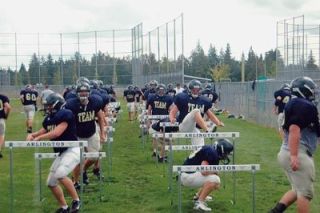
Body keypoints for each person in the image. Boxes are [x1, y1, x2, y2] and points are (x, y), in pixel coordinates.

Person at [269, 77, 320, 213]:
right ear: (303, 90)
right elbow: (294, 128)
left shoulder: (296, 103)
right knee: (305, 193)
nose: (313, 94)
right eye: (311, 91)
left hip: (289, 150)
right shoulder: (303, 105)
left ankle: (275, 211)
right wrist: (294, 155)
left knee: (297, 190)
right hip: (298, 151)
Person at [26, 93, 81, 213]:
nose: (47, 108)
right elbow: (46, 129)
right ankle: (64, 207)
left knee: (60, 174)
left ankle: (76, 200)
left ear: (57, 104)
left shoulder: (66, 114)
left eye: (49, 105)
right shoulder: (50, 118)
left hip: (72, 149)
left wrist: (40, 138)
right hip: (62, 152)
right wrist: (33, 135)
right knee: (51, 182)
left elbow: (56, 132)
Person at [65, 82, 105, 187]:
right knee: (78, 159)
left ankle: (82, 171)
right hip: (77, 135)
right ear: (77, 93)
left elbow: (100, 117)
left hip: (91, 133)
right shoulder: (71, 105)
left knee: (94, 156)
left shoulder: (95, 102)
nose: (83, 94)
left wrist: (102, 133)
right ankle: (75, 181)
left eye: (85, 91)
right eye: (81, 92)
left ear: (89, 92)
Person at [181, 139, 233, 211]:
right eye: (227, 153)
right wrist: (215, 173)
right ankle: (199, 203)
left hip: (187, 174)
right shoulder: (211, 153)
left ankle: (198, 196)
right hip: (187, 177)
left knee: (213, 178)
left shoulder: (211, 150)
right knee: (215, 180)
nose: (227, 155)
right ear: (221, 150)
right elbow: (204, 171)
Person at [169, 79, 224, 145]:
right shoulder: (183, 98)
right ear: (190, 89)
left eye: (197, 90)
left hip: (194, 128)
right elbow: (172, 111)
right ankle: (208, 130)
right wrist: (172, 118)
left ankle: (197, 154)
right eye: (193, 89)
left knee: (200, 147)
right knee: (196, 111)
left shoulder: (203, 100)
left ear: (200, 90)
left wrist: (218, 122)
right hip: (183, 125)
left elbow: (210, 114)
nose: (195, 91)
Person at [146, 84, 173, 162]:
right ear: (157, 90)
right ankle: (155, 152)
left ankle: (162, 154)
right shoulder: (152, 97)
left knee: (165, 138)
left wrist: (170, 118)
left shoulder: (168, 98)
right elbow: (149, 109)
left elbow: (170, 109)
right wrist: (148, 120)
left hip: (164, 119)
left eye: (162, 90)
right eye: (159, 90)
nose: (161, 92)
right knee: (155, 137)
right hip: (155, 118)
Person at [0, 93, 11, 158]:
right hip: (0, 119)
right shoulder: (3, 97)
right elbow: (9, 107)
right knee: (1, 135)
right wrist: (6, 115)